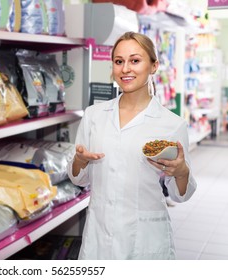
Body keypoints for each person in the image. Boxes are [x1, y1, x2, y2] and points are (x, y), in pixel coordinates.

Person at [67, 31, 197, 260]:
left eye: (135, 60)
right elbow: (79, 179)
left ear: (154, 65)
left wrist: (182, 172)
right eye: (119, 61)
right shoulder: (94, 115)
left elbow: (179, 195)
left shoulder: (172, 125)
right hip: (99, 236)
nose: (125, 69)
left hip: (145, 238)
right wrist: (79, 161)